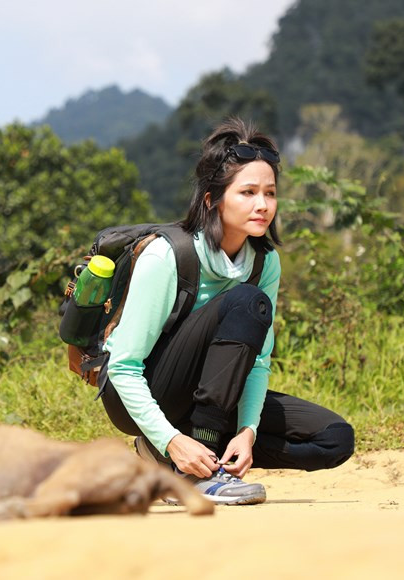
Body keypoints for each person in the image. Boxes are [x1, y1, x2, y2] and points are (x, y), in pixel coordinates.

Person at [99, 117, 354, 505]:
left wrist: (248, 431)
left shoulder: (263, 262)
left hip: (211, 398)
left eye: (270, 193)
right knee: (244, 301)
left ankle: (194, 457)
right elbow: (123, 367)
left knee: (334, 439)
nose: (262, 205)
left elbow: (258, 362)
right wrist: (172, 439)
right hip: (142, 391)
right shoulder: (168, 255)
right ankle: (188, 466)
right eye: (247, 192)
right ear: (211, 200)